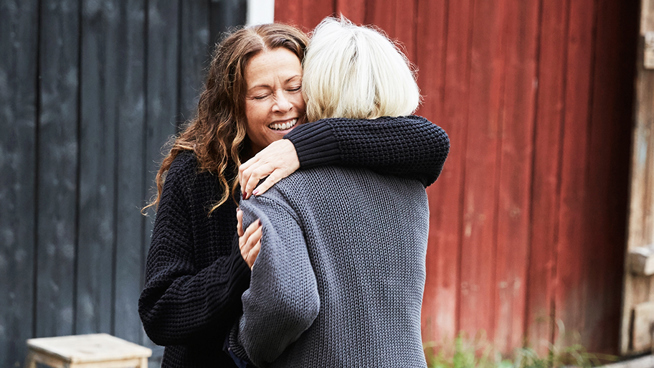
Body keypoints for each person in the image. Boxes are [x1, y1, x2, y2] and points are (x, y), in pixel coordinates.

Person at [138, 22, 449, 368]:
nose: (282, 105)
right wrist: (238, 269)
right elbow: (160, 312)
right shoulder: (197, 172)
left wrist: (300, 148)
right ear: (233, 105)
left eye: (294, 87)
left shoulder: (315, 161)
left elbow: (430, 142)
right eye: (261, 94)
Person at [229, 17, 446, 368]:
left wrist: (242, 346)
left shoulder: (273, 187)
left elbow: (289, 302)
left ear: (317, 87)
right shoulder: (411, 183)